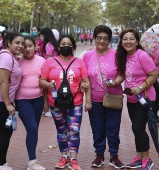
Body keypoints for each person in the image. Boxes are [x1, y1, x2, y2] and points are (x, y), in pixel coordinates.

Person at [39, 35, 92, 170]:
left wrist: (88, 101)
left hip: (76, 103)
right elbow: (41, 80)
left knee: (74, 130)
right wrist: (48, 85)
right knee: (61, 130)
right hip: (56, 103)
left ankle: (73, 159)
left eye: (69, 44)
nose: (65, 46)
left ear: (73, 47)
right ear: (58, 47)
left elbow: (86, 82)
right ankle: (64, 157)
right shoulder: (49, 62)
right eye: (63, 44)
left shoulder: (79, 62)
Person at [82, 25, 125, 169]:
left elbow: (121, 73)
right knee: (98, 129)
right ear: (94, 39)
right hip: (94, 99)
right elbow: (85, 77)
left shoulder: (117, 54)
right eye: (99, 38)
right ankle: (99, 155)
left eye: (105, 39)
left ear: (109, 40)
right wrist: (86, 97)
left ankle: (114, 156)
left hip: (113, 98)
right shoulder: (88, 55)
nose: (102, 41)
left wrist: (116, 82)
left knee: (113, 129)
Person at [116, 28, 158, 170]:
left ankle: (147, 158)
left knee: (138, 127)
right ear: (121, 42)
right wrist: (114, 82)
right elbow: (123, 75)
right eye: (125, 39)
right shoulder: (123, 57)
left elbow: (154, 75)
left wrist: (140, 88)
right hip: (131, 99)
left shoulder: (142, 56)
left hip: (145, 98)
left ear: (137, 41)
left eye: (131, 39)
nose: (128, 41)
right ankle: (139, 157)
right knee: (136, 129)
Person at [15, 36, 46, 170]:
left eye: (30, 46)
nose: (27, 49)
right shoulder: (16, 62)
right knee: (32, 128)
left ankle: (32, 161)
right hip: (22, 100)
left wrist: (45, 101)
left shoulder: (42, 61)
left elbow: (44, 80)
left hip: (38, 100)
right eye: (24, 46)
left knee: (34, 130)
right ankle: (32, 162)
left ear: (36, 47)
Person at [0, 32, 24, 170]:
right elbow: (3, 81)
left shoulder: (13, 57)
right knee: (4, 132)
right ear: (9, 42)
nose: (20, 46)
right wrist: (8, 104)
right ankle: (1, 164)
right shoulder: (6, 57)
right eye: (17, 43)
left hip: (6, 101)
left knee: (5, 132)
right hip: (2, 102)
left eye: (22, 43)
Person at [40, 27, 58, 117]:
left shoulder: (48, 45)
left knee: (47, 89)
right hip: (57, 68)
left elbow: (48, 59)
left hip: (50, 68)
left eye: (42, 35)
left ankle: (48, 108)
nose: (41, 37)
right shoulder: (55, 43)